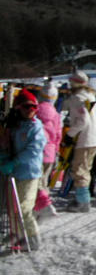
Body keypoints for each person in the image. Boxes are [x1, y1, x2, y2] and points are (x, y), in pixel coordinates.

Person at [0, 89, 47, 251]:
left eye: (34, 107)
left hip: (29, 173)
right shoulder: (15, 126)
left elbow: (34, 149)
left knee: (24, 207)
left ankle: (33, 238)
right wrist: (5, 156)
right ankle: (17, 233)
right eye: (27, 107)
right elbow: (8, 144)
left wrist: (15, 161)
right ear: (18, 108)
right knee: (13, 206)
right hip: (15, 172)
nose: (31, 110)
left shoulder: (36, 127)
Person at [63, 70, 96, 212]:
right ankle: (82, 197)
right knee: (85, 168)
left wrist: (69, 134)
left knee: (79, 169)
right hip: (94, 138)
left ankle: (82, 201)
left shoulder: (78, 98)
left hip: (85, 139)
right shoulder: (90, 97)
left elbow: (82, 121)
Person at [34, 80, 62, 221]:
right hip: (50, 153)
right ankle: (43, 204)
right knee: (44, 180)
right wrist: (56, 151)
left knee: (35, 181)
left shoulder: (35, 110)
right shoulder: (56, 114)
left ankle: (42, 205)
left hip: (36, 151)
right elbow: (58, 135)